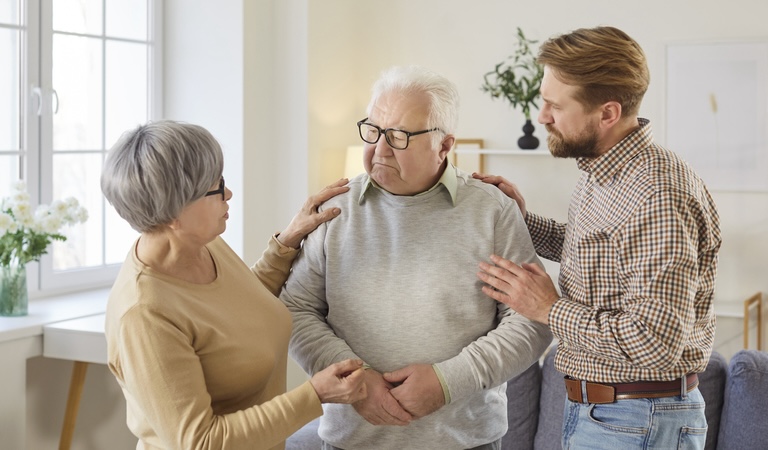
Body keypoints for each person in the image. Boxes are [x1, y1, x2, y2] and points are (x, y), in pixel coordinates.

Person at [279, 65, 552, 450]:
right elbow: (295, 310)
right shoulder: (333, 210)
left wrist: (447, 382)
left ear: (444, 145)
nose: (380, 148)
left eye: (400, 136)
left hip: (466, 441)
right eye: (373, 131)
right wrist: (358, 382)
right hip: (351, 442)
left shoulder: (492, 210)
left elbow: (530, 321)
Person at [475, 26, 722, 449]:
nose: (542, 116)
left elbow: (655, 342)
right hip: (611, 416)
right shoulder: (606, 172)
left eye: (554, 105)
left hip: (638, 421)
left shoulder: (657, 195)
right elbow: (601, 254)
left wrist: (549, 308)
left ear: (607, 113)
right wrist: (523, 220)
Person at [101, 120, 367, 450]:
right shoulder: (143, 315)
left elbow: (236, 312)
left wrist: (287, 241)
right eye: (216, 188)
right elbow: (200, 441)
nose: (228, 193)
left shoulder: (199, 244)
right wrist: (315, 395)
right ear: (174, 213)